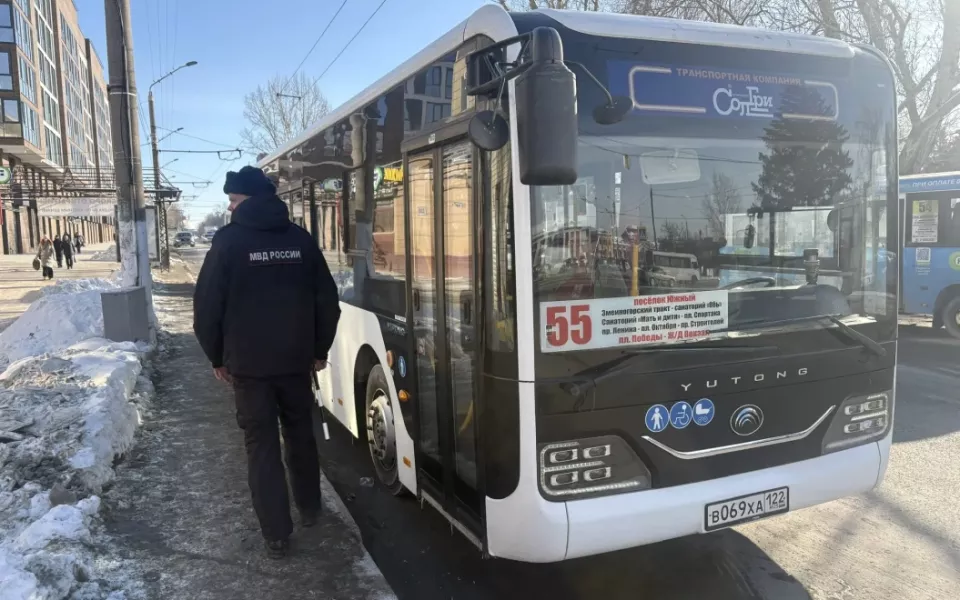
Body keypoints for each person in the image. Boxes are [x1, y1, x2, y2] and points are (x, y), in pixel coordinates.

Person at [193, 166, 341, 560]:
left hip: (249, 369)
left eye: (234, 199)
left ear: (249, 200)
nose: (229, 205)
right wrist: (318, 350)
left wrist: (217, 355)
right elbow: (327, 300)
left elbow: (207, 306)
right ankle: (309, 507)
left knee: (261, 448)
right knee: (300, 435)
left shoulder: (227, 243)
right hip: (295, 363)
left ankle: (277, 533)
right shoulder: (301, 240)